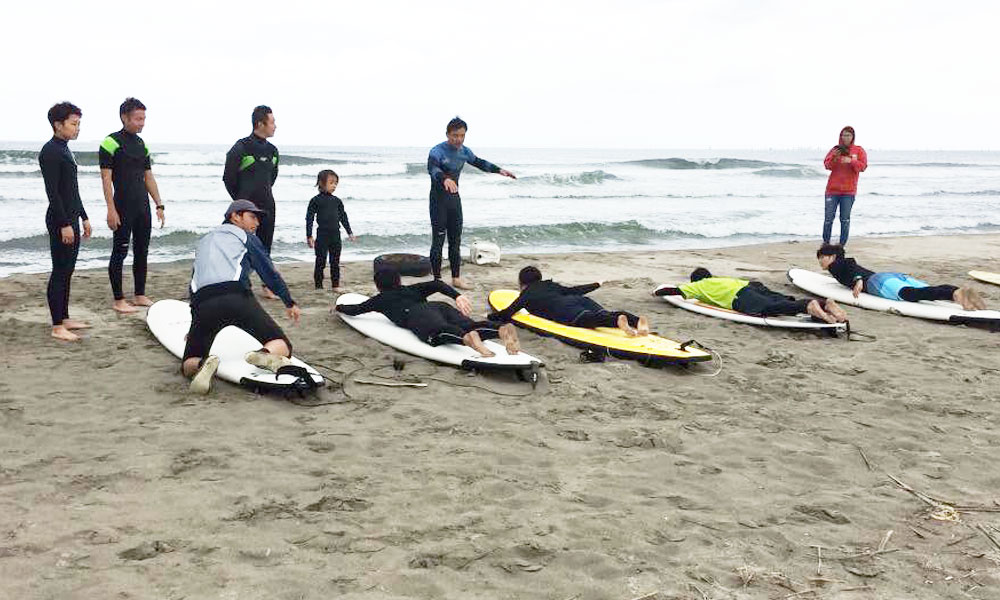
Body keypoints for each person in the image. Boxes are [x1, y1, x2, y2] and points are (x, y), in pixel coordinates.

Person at [183, 200, 302, 394]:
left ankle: (203, 364)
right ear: (235, 216)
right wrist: (289, 301)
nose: (257, 223)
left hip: (203, 303)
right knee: (282, 344)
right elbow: (268, 271)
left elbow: (195, 282)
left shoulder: (204, 242)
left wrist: (194, 323)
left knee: (188, 362)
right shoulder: (244, 236)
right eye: (252, 217)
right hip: (236, 297)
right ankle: (263, 355)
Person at [335, 268, 520, 357]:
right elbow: (437, 283)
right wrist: (456, 296)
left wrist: (338, 307)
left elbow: (356, 309)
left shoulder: (380, 300)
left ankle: (467, 340)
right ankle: (500, 330)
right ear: (399, 281)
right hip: (440, 307)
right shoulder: (412, 289)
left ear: (378, 286)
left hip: (417, 315)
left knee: (438, 332)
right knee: (469, 325)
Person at [427, 116, 516, 289]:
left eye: (461, 135)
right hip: (438, 201)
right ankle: (437, 280)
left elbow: (479, 162)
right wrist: (445, 179)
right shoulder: (437, 151)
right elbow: (432, 169)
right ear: (447, 134)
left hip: (454, 200)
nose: (458, 139)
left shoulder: (464, 151)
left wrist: (499, 170)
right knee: (438, 241)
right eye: (454, 135)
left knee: (456, 239)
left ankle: (456, 278)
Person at [99, 97, 165, 313]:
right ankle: (119, 300)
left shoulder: (141, 145)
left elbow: (148, 177)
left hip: (142, 207)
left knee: (142, 251)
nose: (142, 123)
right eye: (138, 119)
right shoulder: (110, 143)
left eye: (144, 119)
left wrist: (159, 204)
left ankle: (139, 294)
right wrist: (111, 209)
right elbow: (106, 180)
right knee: (120, 252)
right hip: (122, 206)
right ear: (124, 117)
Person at [40, 102, 92, 342]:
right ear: (57, 124)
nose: (77, 128)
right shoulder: (50, 151)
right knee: (60, 271)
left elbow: (72, 190)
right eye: (73, 124)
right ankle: (57, 325)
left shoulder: (65, 149)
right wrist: (64, 223)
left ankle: (65, 316)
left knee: (68, 270)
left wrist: (84, 216)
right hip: (60, 219)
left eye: (78, 124)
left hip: (71, 216)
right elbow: (54, 192)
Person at [816, 243, 985, 311]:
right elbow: (851, 263)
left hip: (876, 282)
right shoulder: (839, 264)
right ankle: (957, 291)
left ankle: (955, 295)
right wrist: (857, 277)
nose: (820, 262)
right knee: (923, 290)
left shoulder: (835, 265)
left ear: (831, 257)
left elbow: (850, 264)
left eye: (822, 258)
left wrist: (858, 279)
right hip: (889, 276)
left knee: (911, 295)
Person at [488, 266, 651, 336]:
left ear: (522, 282)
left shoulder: (526, 295)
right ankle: (637, 321)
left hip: (565, 310)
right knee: (604, 313)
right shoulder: (551, 285)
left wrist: (490, 316)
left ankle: (617, 321)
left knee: (592, 320)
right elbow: (574, 290)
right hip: (580, 300)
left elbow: (508, 313)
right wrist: (595, 284)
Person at [223, 105, 279, 298]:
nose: (275, 126)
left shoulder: (273, 151)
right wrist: (240, 202)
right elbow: (228, 178)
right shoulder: (242, 147)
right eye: (272, 122)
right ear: (260, 124)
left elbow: (271, 177)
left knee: (265, 246)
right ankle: (234, 282)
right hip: (244, 208)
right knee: (239, 246)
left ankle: (267, 285)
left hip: (267, 204)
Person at [654, 267, 847, 323]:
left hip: (741, 297)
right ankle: (823, 303)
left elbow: (672, 291)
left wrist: (656, 291)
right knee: (781, 300)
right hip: (753, 286)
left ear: (695, 280)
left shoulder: (698, 286)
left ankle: (809, 306)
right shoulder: (721, 278)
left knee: (768, 309)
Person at [306, 170, 356, 291]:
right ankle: (318, 285)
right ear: (321, 183)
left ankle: (335, 285)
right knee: (320, 261)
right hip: (322, 234)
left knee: (335, 261)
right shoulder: (315, 200)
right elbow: (309, 218)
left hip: (335, 235)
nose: (334, 185)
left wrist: (349, 232)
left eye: (336, 183)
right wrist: (309, 235)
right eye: (331, 182)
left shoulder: (337, 201)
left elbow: (343, 217)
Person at [822, 125, 867, 245]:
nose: (845, 138)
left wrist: (851, 161)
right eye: (843, 135)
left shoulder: (858, 150)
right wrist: (834, 157)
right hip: (832, 190)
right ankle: (826, 243)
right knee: (828, 219)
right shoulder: (835, 149)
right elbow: (827, 165)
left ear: (852, 137)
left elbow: (863, 167)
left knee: (845, 220)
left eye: (848, 135)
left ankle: (841, 245)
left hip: (848, 191)